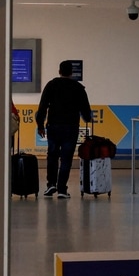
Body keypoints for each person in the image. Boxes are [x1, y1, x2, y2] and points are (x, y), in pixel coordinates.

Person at [35, 60, 92, 198]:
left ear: (59, 71)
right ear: (72, 72)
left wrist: (40, 125)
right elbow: (86, 111)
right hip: (71, 128)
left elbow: (42, 107)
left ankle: (51, 185)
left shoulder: (51, 85)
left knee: (52, 155)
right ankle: (62, 190)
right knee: (66, 158)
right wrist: (87, 118)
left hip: (53, 126)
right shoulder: (78, 88)